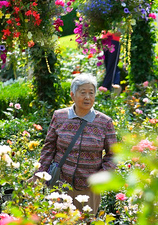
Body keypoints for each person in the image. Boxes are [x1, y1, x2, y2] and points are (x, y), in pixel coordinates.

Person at [38, 73, 118, 213]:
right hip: (60, 186)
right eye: (83, 93)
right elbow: (49, 148)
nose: (87, 97)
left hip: (89, 190)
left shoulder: (104, 122)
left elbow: (113, 155)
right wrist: (40, 173)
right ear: (72, 95)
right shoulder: (59, 116)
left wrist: (100, 177)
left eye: (91, 93)